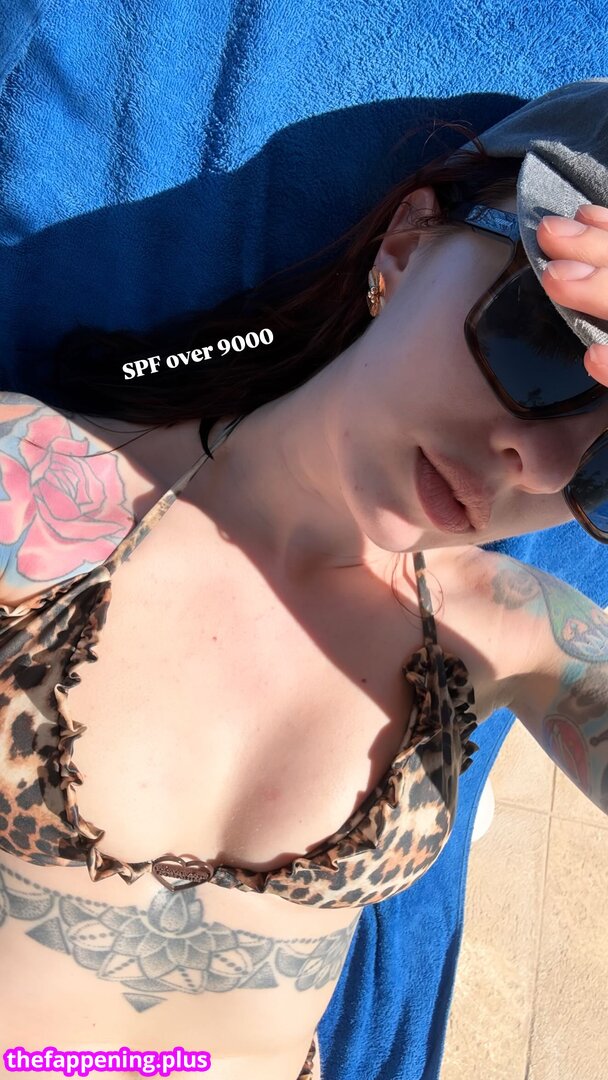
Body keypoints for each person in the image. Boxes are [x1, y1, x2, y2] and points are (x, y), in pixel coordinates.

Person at [1, 80, 607, 1080]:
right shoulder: (33, 489)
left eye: (603, 462)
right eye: (540, 340)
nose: (537, 466)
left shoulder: (510, 631)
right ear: (405, 246)